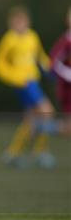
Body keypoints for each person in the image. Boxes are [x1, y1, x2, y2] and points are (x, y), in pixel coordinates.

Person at [0, 6, 56, 169]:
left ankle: (13, 153)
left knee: (32, 119)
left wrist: (52, 69)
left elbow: (40, 57)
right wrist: (13, 77)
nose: (20, 24)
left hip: (33, 81)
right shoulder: (9, 39)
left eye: (22, 21)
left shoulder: (32, 37)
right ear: (11, 23)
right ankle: (40, 152)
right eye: (16, 22)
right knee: (47, 111)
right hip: (24, 84)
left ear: (28, 22)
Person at [49, 7, 71, 136]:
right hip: (67, 90)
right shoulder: (65, 42)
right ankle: (43, 128)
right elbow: (53, 64)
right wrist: (68, 74)